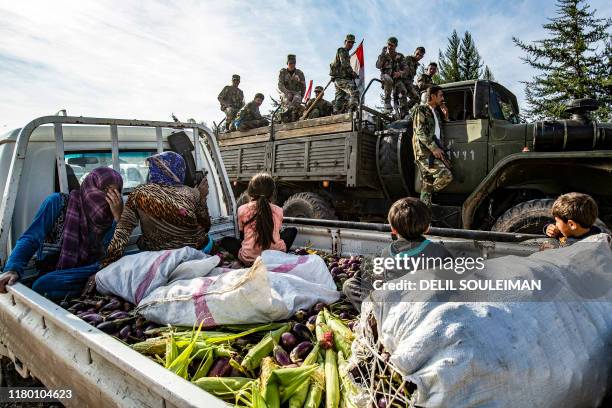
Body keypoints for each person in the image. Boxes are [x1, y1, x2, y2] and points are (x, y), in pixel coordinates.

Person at [0, 168, 123, 299]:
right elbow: (31, 237)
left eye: (115, 192)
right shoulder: (58, 203)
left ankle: (98, 283)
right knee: (43, 285)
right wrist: (13, 269)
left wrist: (118, 219)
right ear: (90, 186)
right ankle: (98, 284)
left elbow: (111, 254)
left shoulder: (112, 214)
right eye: (105, 190)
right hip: (60, 273)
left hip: (90, 270)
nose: (110, 197)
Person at [100, 151, 212, 267]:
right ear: (181, 170)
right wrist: (202, 197)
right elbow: (206, 226)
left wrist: (107, 264)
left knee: (141, 241)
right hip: (193, 253)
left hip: (157, 255)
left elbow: (122, 232)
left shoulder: (140, 193)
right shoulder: (193, 193)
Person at [343, 197, 453, 310]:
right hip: (429, 309)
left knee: (350, 284)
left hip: (394, 311)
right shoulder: (441, 252)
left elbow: (379, 285)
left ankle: (374, 316)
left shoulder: (384, 255)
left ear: (393, 229)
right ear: (427, 228)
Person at [219, 172, 297, 266]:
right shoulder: (279, 210)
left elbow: (242, 235)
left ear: (250, 191)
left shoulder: (242, 209)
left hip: (249, 260)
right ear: (272, 192)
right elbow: (278, 232)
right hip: (275, 257)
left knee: (226, 241)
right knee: (292, 231)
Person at [412, 85, 453, 207]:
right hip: (425, 152)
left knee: (427, 181)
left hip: (434, 151)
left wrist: (446, 115)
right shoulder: (421, 109)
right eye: (440, 95)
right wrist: (433, 147)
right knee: (446, 175)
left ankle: (423, 209)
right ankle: (421, 203)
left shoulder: (435, 112)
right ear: (433, 96)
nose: (442, 98)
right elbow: (419, 131)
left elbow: (438, 131)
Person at [376, 36, 408, 116]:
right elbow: (378, 66)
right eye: (388, 45)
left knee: (403, 91)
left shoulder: (400, 56)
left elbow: (406, 69)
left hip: (397, 80)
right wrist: (382, 54)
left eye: (392, 45)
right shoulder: (383, 56)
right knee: (387, 79)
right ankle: (387, 105)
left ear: (396, 46)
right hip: (385, 77)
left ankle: (404, 113)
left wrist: (400, 73)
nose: (389, 47)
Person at [330, 34, 361, 114]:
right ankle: (352, 113)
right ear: (345, 42)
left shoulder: (345, 53)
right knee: (354, 92)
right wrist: (352, 73)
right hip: (341, 79)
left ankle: (336, 114)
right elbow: (345, 64)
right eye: (349, 42)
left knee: (339, 100)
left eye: (352, 43)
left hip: (339, 80)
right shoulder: (342, 50)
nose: (350, 44)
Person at [278, 54, 306, 123]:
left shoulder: (299, 73)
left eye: (293, 63)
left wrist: (301, 96)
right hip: (286, 92)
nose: (292, 65)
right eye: (290, 63)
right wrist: (287, 92)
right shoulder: (283, 72)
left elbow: (303, 86)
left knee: (296, 99)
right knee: (286, 99)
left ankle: (289, 113)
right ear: (287, 63)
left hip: (296, 93)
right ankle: (289, 114)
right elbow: (280, 85)